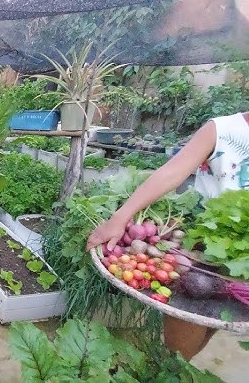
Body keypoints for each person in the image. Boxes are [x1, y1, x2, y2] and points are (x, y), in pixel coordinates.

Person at [87, 111, 249, 360]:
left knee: (221, 322)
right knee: (181, 343)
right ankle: (171, 369)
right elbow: (171, 173)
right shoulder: (222, 130)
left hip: (242, 265)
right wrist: (120, 217)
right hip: (202, 257)